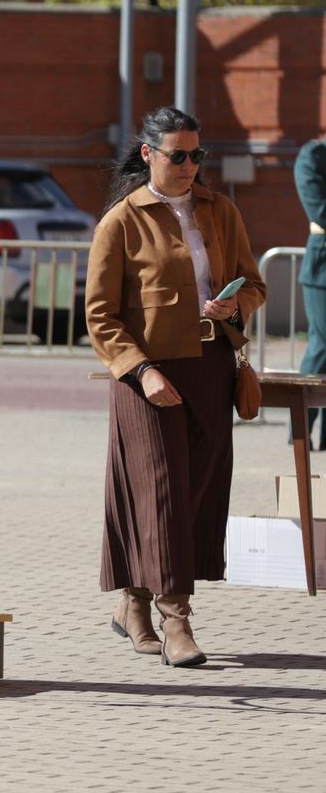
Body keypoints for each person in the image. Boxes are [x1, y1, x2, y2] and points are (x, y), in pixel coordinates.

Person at [86, 106, 266, 667]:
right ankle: (176, 619)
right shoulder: (121, 219)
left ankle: (132, 602)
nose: (190, 165)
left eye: (197, 155)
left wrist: (237, 303)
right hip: (148, 376)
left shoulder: (221, 210)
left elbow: (255, 283)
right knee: (161, 488)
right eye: (178, 155)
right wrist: (141, 370)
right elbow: (100, 315)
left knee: (195, 492)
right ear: (148, 155)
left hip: (211, 365)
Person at [293, 134, 326, 451]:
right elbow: (320, 209)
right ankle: (301, 426)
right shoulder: (313, 156)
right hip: (323, 268)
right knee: (321, 346)